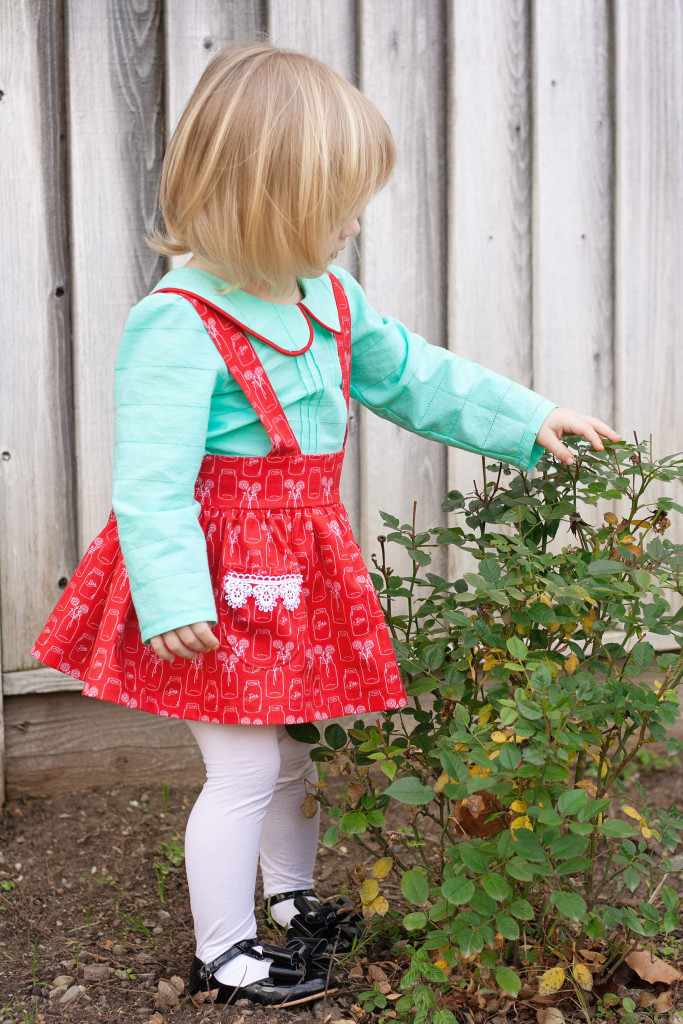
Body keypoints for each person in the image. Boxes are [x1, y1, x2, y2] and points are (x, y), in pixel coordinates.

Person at [32, 42, 620, 1006]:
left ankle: (294, 897)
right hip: (215, 587)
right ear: (266, 200)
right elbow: (148, 484)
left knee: (296, 743)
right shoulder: (179, 323)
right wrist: (173, 593)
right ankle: (223, 950)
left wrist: (527, 417)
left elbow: (417, 377)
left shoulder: (330, 301)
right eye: (337, 205)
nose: (353, 224)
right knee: (245, 763)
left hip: (299, 568)